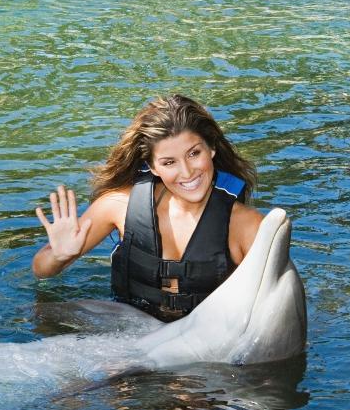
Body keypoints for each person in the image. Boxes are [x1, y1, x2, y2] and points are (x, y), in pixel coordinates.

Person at [32, 95, 264, 322]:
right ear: (152, 166)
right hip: (126, 333)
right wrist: (59, 256)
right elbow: (41, 270)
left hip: (205, 343)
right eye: (169, 162)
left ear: (211, 148)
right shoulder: (119, 205)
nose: (186, 172)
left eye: (194, 153)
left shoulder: (247, 225)